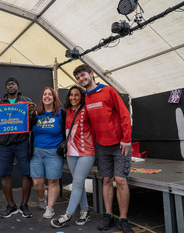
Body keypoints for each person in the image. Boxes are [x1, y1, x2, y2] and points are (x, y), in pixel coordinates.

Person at [73, 64, 133, 233]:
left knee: (120, 180)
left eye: (83, 75)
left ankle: (123, 219)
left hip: (120, 144)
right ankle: (108, 215)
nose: (81, 79)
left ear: (91, 74)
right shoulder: (87, 97)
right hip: (102, 146)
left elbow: (124, 114)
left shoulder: (109, 91)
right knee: (106, 180)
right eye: (78, 78)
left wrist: (126, 140)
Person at [0, 77, 37, 218]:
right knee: (4, 174)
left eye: (13, 84)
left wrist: (33, 113)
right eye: (8, 84)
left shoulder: (26, 101)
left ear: (17, 86)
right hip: (4, 144)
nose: (10, 86)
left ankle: (24, 205)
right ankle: (11, 206)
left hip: (21, 143)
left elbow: (32, 124)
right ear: (6, 88)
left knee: (26, 173)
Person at [50, 85, 95, 228]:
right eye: (71, 95)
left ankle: (68, 215)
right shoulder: (67, 111)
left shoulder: (88, 108)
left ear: (81, 96)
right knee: (78, 183)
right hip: (71, 152)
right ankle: (85, 211)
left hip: (86, 152)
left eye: (76, 95)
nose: (73, 97)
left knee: (77, 183)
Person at [30, 87, 65, 219]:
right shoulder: (36, 114)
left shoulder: (61, 113)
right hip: (36, 152)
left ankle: (50, 208)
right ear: (42, 98)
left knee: (53, 181)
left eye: (50, 94)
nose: (47, 96)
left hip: (54, 152)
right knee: (37, 183)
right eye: (45, 94)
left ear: (54, 97)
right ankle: (42, 198)